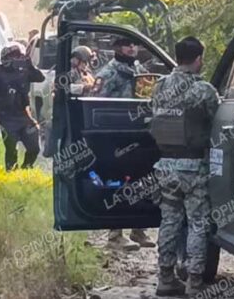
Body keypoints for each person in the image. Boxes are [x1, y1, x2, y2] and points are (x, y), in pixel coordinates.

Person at [149, 37, 219, 296]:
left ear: (177, 57)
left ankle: (166, 278)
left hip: (165, 165)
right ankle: (195, 281)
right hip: (194, 167)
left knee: (169, 220)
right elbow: (218, 121)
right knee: (198, 223)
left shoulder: (159, 87)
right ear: (199, 59)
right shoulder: (204, 90)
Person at [96, 36, 155, 250]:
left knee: (142, 181)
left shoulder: (139, 70)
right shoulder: (108, 73)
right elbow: (97, 105)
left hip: (139, 134)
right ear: (117, 48)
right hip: (116, 137)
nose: (132, 48)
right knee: (118, 182)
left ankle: (138, 229)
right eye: (127, 45)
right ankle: (115, 234)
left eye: (134, 44)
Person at [0, 43, 45, 170]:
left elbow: (40, 78)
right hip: (6, 117)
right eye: (14, 56)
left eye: (19, 56)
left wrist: (30, 65)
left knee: (34, 147)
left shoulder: (24, 72)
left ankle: (26, 168)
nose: (17, 59)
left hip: (24, 115)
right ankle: (11, 171)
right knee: (11, 148)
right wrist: (2, 68)